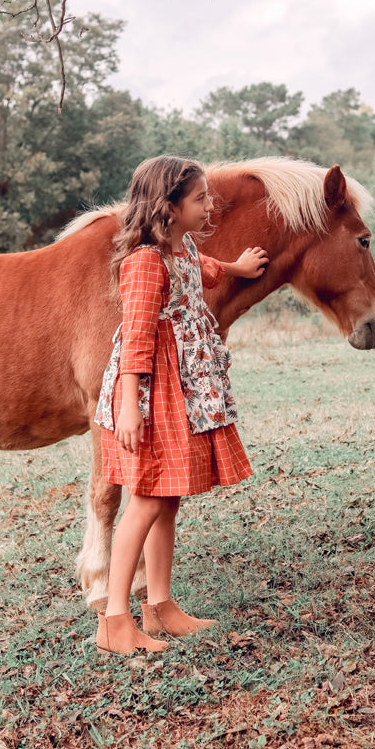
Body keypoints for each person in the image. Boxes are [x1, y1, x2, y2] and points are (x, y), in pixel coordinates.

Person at [94, 155, 268, 655]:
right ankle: (114, 619)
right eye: (199, 199)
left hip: (181, 390)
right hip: (149, 394)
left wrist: (237, 267)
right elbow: (137, 340)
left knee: (168, 495)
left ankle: (161, 605)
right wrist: (130, 407)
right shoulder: (145, 262)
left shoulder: (183, 247)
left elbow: (203, 269)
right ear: (168, 206)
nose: (209, 205)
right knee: (147, 496)